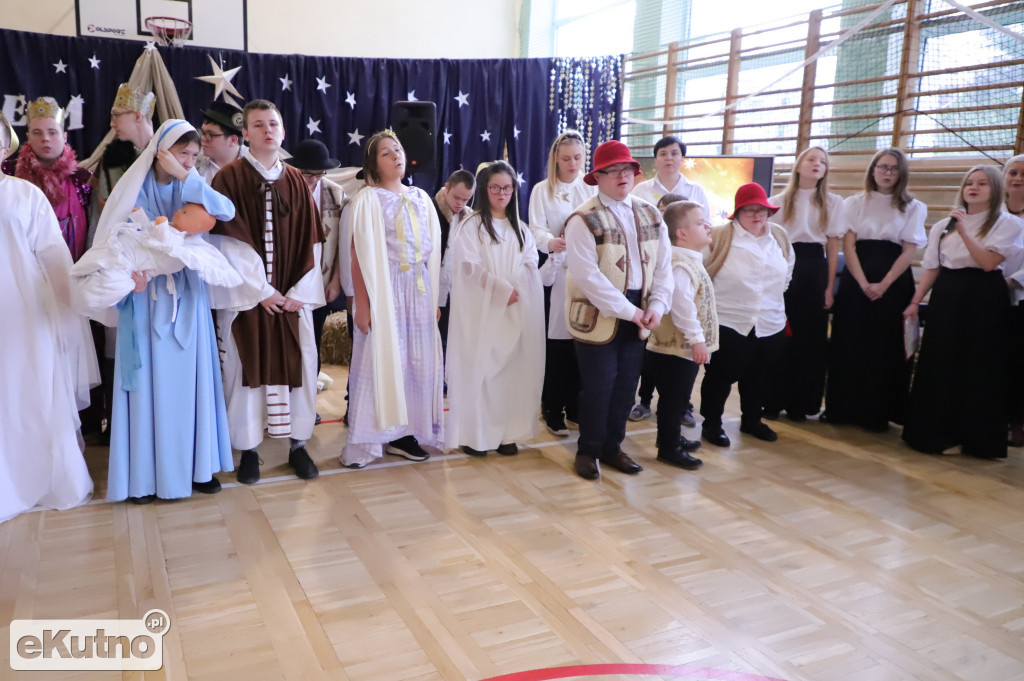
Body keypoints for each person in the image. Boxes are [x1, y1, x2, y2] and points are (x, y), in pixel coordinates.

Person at [71, 120, 238, 503]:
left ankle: (196, 468)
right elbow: (115, 242)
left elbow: (225, 211)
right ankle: (146, 476)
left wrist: (188, 175)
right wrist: (130, 278)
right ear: (160, 149)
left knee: (190, 384)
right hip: (145, 298)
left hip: (188, 301)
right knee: (149, 385)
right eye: (183, 153)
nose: (190, 160)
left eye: (195, 155)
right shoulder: (133, 187)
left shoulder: (191, 186)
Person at [209, 100, 325, 484]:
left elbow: (313, 241)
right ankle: (249, 451)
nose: (267, 130)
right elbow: (227, 241)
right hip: (249, 301)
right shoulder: (229, 178)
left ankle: (297, 445)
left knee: (301, 368)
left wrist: (298, 291)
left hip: (292, 299)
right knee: (244, 374)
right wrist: (261, 291)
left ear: (283, 131)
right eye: (258, 125)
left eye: (273, 123)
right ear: (245, 133)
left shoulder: (296, 180)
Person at [0, 113, 94, 523]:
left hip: (22, 313)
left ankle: (32, 478)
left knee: (26, 393)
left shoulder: (25, 196)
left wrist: (66, 318)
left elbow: (55, 260)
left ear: (5, 145)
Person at [564, 140, 673, 480]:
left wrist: (657, 305)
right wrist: (630, 311)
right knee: (599, 385)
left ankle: (612, 447)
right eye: (612, 171)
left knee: (626, 384)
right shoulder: (583, 218)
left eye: (627, 169)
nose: (622, 176)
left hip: (640, 310)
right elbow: (588, 278)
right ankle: (589, 449)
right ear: (598, 177)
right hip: (601, 314)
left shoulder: (651, 213)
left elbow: (664, 267)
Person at [902, 166, 1022, 459]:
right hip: (948, 293)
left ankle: (975, 438)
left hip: (984, 296)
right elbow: (933, 266)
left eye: (982, 183)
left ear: (995, 189)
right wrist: (916, 300)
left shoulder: (1008, 224)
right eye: (969, 182)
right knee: (941, 361)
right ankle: (937, 435)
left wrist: (965, 229)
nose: (973, 187)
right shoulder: (945, 224)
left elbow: (987, 263)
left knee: (977, 365)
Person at [342, 131, 444, 468]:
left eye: (398, 149)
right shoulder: (368, 200)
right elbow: (359, 255)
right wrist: (363, 304)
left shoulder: (421, 197)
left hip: (418, 289)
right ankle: (373, 436)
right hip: (387, 290)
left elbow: (431, 253)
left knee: (417, 362)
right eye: (386, 153)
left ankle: (407, 432)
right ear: (374, 164)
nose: (395, 155)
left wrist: (433, 301)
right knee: (384, 360)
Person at [825, 148, 926, 432]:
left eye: (894, 168)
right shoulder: (855, 202)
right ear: (873, 169)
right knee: (850, 342)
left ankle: (877, 413)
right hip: (858, 279)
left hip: (893, 282)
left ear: (901, 173)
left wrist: (883, 284)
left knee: (884, 347)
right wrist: (862, 282)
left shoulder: (914, 206)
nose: (887, 172)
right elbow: (849, 245)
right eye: (882, 167)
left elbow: (909, 251)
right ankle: (843, 408)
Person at [447, 161, 545, 456]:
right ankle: (476, 436)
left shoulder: (522, 229)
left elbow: (530, 263)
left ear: (514, 190)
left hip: (514, 310)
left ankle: (506, 433)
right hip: (482, 310)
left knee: (511, 373)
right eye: (495, 187)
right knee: (483, 370)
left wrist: (516, 287)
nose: (501, 193)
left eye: (507, 187)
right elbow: (469, 268)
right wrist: (501, 289)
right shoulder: (471, 226)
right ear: (485, 190)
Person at [700, 183, 795, 447]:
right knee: (719, 376)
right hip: (728, 320)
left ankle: (752, 420)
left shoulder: (780, 237)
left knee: (759, 375)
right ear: (737, 213)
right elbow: (700, 274)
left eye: (761, 210)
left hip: (770, 321)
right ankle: (712, 424)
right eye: (749, 210)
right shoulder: (719, 237)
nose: (756, 216)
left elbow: (786, 275)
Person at [764, 146, 845, 421]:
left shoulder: (833, 203)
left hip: (814, 268)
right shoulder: (778, 200)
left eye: (822, 161)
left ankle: (801, 403)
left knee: (809, 339)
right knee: (779, 334)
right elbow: (770, 243)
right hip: (784, 264)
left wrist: (828, 287)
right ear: (799, 165)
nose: (817, 164)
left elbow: (833, 248)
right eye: (811, 159)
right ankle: (772, 400)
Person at [529, 131, 595, 436]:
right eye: (566, 158)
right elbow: (536, 228)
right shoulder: (543, 190)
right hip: (557, 273)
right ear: (556, 158)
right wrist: (551, 242)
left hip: (588, 272)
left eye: (578, 158)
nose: (572, 163)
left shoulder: (591, 189)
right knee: (557, 341)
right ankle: (551, 407)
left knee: (584, 339)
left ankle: (577, 405)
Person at [646, 200, 717, 470]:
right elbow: (681, 305)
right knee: (673, 400)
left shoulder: (689, 260)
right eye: (700, 223)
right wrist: (697, 339)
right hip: (677, 347)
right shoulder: (680, 264)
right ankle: (668, 448)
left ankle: (672, 437)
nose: (708, 226)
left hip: (680, 347)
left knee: (676, 398)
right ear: (681, 233)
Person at [2, 97, 93, 262]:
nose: (45, 138)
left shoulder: (83, 180)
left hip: (73, 275)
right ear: (28, 136)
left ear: (64, 136)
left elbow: (96, 232)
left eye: (52, 132)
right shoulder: (7, 173)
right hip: (18, 273)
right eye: (37, 132)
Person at [628, 192, 689, 425]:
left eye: (669, 210)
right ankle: (643, 401)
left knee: (675, 368)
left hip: (674, 318)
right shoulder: (647, 234)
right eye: (661, 208)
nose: (663, 213)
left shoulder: (687, 248)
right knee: (647, 361)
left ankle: (682, 407)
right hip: (649, 310)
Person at [289, 139, 345, 390]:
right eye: (306, 174)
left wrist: (336, 280)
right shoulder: (283, 188)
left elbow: (344, 240)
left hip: (322, 280)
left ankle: (310, 397)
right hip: (290, 282)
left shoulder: (334, 192)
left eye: (318, 174)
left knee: (315, 339)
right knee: (291, 341)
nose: (312, 180)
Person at [433, 168, 476, 362]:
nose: (460, 204)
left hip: (454, 289)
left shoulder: (469, 219)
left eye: (465, 200)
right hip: (432, 287)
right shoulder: (431, 210)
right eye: (456, 197)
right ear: (447, 187)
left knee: (448, 338)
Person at [632, 135, 711, 220]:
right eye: (663, 154)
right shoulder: (640, 190)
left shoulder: (696, 190)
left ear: (682, 159)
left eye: (674, 153)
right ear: (655, 160)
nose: (669, 158)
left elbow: (706, 224)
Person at [1001, 155, 1024, 446]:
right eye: (1013, 173)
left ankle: (1018, 420)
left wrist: (1010, 282)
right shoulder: (990, 212)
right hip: (985, 298)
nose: (1018, 179)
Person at [195, 101, 246, 184]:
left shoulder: (254, 166)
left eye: (210, 134)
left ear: (233, 140)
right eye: (202, 133)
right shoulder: (193, 162)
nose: (203, 139)